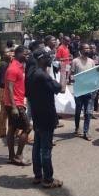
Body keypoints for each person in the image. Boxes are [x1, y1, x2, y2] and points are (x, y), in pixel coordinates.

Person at [28, 50, 64, 188]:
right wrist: (63, 71)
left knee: (37, 146)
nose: (50, 58)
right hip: (46, 115)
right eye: (48, 57)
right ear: (41, 59)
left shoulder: (32, 74)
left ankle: (38, 176)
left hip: (37, 114)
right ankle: (48, 179)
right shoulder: (43, 76)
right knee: (46, 149)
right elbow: (60, 89)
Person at [4, 45, 31, 166]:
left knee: (12, 128)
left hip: (15, 102)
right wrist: (15, 107)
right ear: (18, 53)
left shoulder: (19, 66)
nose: (27, 55)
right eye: (25, 53)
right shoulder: (13, 68)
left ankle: (11, 157)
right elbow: (9, 88)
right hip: (15, 104)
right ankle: (18, 156)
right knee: (27, 128)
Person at [71, 43, 96, 141]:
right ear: (80, 50)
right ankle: (77, 127)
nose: (87, 50)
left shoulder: (92, 61)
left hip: (89, 90)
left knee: (88, 112)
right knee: (78, 111)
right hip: (79, 90)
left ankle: (86, 131)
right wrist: (72, 79)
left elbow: (94, 74)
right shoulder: (75, 61)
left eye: (88, 48)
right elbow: (72, 74)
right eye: (85, 48)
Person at [0, 49, 12, 138]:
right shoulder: (4, 65)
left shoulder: (7, 64)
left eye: (11, 52)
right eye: (8, 52)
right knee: (4, 110)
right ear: (3, 55)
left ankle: (1, 131)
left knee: (4, 110)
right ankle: (1, 131)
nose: (10, 53)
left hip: (2, 88)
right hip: (1, 89)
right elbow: (2, 81)